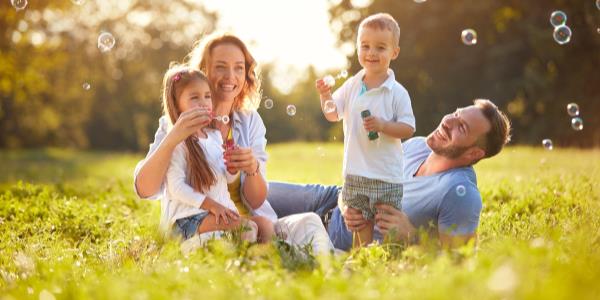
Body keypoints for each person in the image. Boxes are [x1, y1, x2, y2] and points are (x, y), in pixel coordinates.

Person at [134, 32, 333, 254]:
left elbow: (256, 201)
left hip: (250, 219)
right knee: (285, 236)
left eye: (239, 68)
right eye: (221, 66)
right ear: (203, 71)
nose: (231, 76)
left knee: (311, 221)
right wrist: (172, 138)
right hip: (202, 225)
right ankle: (279, 259)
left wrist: (252, 168)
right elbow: (145, 190)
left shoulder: (249, 121)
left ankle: (329, 268)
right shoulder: (176, 123)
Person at [267, 99, 511, 251]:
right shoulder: (417, 146)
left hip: (339, 238)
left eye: (462, 127)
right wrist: (346, 201)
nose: (448, 121)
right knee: (250, 192)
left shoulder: (461, 194)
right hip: (329, 199)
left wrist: (413, 237)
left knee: (255, 230)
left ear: (473, 153)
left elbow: (459, 264)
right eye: (456, 114)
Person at [315, 13, 415, 248]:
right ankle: (362, 262)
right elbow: (332, 113)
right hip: (356, 171)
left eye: (380, 47)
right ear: (358, 48)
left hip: (386, 174)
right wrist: (325, 95)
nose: (371, 53)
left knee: (387, 223)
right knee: (359, 223)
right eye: (365, 46)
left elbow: (408, 128)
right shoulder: (352, 85)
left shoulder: (397, 92)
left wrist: (383, 126)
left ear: (394, 52)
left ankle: (394, 259)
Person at [159, 65, 274, 243]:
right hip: (187, 219)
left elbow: (225, 179)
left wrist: (232, 168)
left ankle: (267, 260)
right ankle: (245, 263)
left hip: (214, 212)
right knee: (247, 227)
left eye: (207, 96)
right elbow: (176, 187)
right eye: (194, 97)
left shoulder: (213, 136)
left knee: (265, 225)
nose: (204, 102)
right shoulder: (177, 142)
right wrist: (212, 205)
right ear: (177, 105)